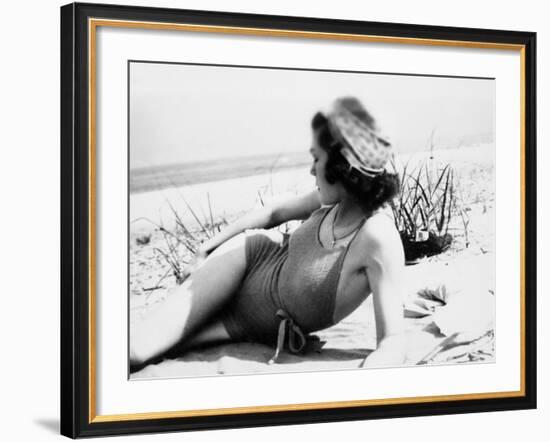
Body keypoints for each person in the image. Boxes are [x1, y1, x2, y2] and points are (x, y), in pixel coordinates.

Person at [130, 97, 407, 371]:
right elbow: (273, 212)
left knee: (146, 351)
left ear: (341, 166)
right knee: (135, 350)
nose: (311, 169)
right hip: (244, 262)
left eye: (316, 158)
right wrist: (206, 248)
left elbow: (393, 340)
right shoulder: (330, 201)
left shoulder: (377, 237)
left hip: (242, 324)